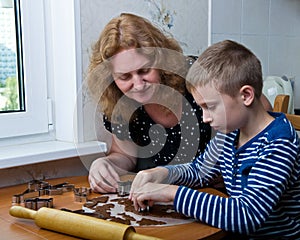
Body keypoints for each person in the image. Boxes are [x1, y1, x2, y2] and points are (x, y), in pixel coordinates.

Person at [129, 40, 300, 239]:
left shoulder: (278, 143)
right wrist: (162, 173)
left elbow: (246, 215)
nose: (205, 118)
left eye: (209, 106)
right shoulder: (230, 134)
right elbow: (200, 171)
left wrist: (171, 193)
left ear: (246, 95)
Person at [87, 13, 212, 193]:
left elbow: (256, 111)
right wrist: (104, 164)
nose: (138, 85)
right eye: (124, 77)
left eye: (144, 71)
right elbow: (124, 155)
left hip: (215, 196)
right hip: (166, 199)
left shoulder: (196, 76)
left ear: (161, 60)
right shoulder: (120, 103)